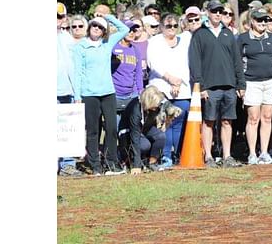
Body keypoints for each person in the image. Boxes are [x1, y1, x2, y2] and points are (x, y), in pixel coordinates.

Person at [188, 0, 246, 168]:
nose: (218, 14)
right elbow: (195, 62)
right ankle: (208, 157)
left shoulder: (228, 34)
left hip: (229, 85)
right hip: (209, 87)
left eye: (220, 11)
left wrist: (241, 84)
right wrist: (200, 86)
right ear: (207, 13)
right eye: (214, 11)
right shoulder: (199, 34)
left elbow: (237, 60)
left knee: (227, 121)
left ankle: (227, 156)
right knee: (209, 121)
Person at [73, 13, 130, 175]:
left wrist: (107, 17)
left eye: (100, 27)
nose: (97, 29)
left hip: (108, 92)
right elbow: (78, 72)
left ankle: (111, 162)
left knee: (112, 127)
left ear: (104, 31)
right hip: (89, 93)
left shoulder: (107, 43)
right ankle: (95, 165)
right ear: (89, 28)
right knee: (93, 130)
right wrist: (78, 96)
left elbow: (124, 29)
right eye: (94, 26)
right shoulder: (80, 47)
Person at [238, 8, 272, 165]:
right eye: (259, 20)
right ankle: (252, 153)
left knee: (267, 117)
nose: (263, 23)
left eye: (266, 20)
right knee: (253, 118)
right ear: (252, 22)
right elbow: (237, 63)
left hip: (271, 82)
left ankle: (264, 152)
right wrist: (240, 84)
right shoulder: (242, 39)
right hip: (251, 82)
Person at [147, 13, 192, 168]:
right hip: (162, 89)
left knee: (179, 122)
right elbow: (154, 63)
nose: (172, 29)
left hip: (182, 89)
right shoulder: (154, 42)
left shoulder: (186, 40)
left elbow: (187, 64)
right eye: (168, 26)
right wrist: (170, 79)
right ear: (161, 27)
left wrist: (178, 83)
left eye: (174, 26)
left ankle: (178, 154)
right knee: (165, 123)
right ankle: (165, 156)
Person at [119, 86, 181, 174]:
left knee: (161, 136)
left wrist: (171, 112)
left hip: (144, 128)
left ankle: (151, 163)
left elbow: (166, 104)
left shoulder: (155, 105)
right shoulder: (135, 110)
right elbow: (135, 137)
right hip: (128, 132)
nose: (157, 107)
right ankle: (130, 161)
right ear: (148, 102)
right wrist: (136, 166)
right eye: (155, 105)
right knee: (145, 145)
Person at [111, 20, 145, 156]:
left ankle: (127, 156)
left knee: (128, 129)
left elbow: (138, 73)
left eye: (134, 30)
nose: (132, 33)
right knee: (114, 129)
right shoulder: (113, 47)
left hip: (131, 95)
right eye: (129, 30)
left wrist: (140, 92)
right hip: (114, 94)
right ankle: (114, 157)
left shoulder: (135, 49)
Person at [57, 2, 83, 177]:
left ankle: (67, 164)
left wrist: (77, 92)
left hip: (68, 90)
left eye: (59, 17)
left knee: (67, 129)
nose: (57, 20)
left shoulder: (68, 39)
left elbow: (75, 66)